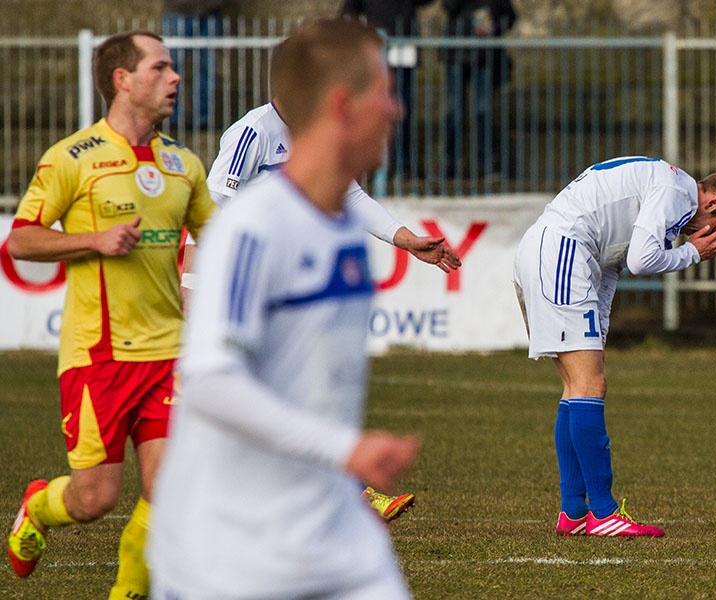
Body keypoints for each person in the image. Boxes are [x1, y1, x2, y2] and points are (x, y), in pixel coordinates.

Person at [148, 18, 420, 599]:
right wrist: (345, 450)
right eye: (385, 93)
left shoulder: (343, 224)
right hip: (230, 551)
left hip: (335, 540)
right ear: (344, 105)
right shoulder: (252, 229)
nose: (396, 110)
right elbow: (212, 384)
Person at [5, 31, 216, 599]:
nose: (175, 78)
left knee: (169, 492)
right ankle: (38, 508)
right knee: (94, 500)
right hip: (99, 356)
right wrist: (94, 240)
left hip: (167, 355)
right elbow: (21, 242)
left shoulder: (183, 164)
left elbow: (216, 236)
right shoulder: (73, 158)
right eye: (161, 68)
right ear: (123, 79)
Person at [513, 156, 716, 537]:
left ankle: (574, 511)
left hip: (553, 252)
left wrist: (601, 323)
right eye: (715, 231)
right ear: (713, 203)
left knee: (576, 388)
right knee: (589, 387)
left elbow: (615, 259)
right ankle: (604, 512)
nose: (709, 238)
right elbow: (642, 260)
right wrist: (692, 253)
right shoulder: (676, 191)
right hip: (562, 255)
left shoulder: (664, 183)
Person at [340, 0, 434, 175]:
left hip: (403, 45)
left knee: (402, 109)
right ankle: (380, 163)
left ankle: (403, 162)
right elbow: (348, 11)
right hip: (377, 49)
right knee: (377, 110)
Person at [441, 0, 517, 178]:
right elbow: (449, 6)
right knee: (455, 112)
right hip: (456, 53)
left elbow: (510, 16)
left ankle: (488, 163)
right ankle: (449, 164)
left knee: (483, 111)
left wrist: (493, 28)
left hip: (484, 56)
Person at [162, 1, 231, 128]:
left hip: (211, 10)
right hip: (179, 9)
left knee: (208, 66)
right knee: (172, 65)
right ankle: (171, 116)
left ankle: (202, 118)